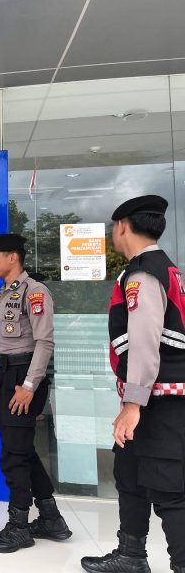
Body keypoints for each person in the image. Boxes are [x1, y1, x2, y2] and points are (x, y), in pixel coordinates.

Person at [81, 195, 185, 573]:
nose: (113, 233)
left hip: (160, 402)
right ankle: (131, 556)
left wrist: (133, 403)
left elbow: (144, 340)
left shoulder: (144, 274)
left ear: (123, 226)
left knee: (169, 490)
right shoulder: (161, 269)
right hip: (149, 399)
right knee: (130, 476)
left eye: (114, 227)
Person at [0, 233, 72, 553]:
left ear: (13, 257)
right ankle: (51, 519)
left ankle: (19, 526)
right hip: (7, 375)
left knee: (13, 455)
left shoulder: (35, 291)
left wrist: (30, 386)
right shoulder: (4, 292)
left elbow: (44, 342)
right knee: (21, 449)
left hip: (24, 378)